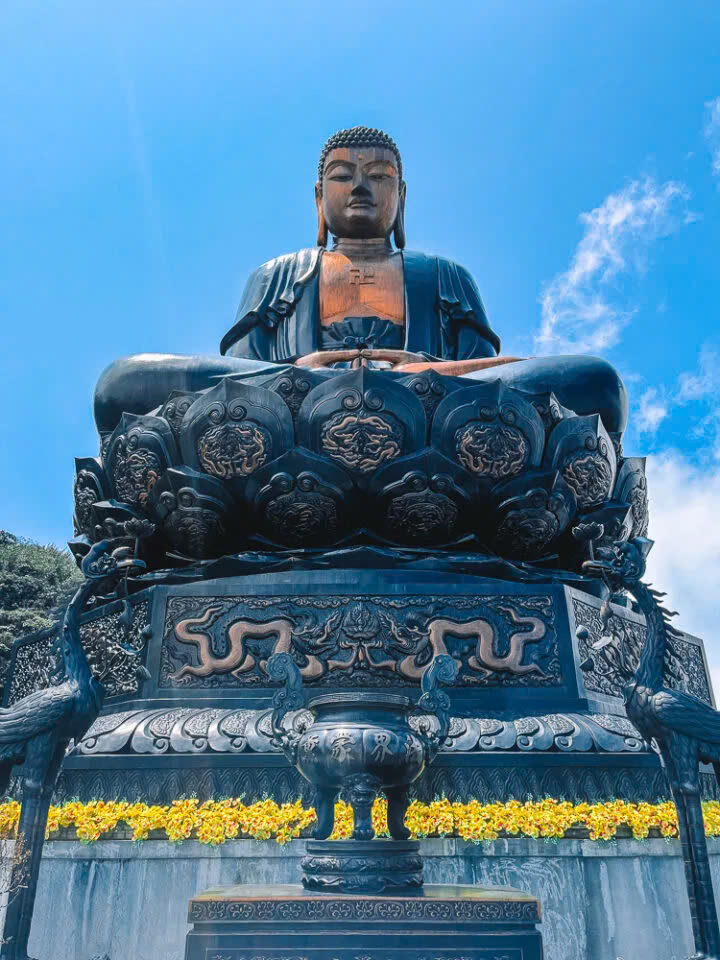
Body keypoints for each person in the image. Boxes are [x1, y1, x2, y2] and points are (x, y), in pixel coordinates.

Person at [94, 126, 626, 439]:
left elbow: (489, 381)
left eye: (379, 176)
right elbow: (237, 381)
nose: (360, 188)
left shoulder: (445, 276)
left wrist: (424, 369)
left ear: (401, 197)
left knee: (593, 381)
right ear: (318, 197)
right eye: (343, 176)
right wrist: (303, 371)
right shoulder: (276, 275)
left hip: (433, 420)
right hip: (290, 420)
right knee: (124, 383)